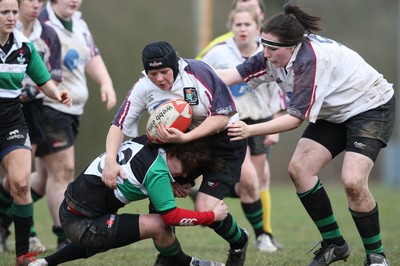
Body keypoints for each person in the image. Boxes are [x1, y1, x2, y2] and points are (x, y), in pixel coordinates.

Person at [217, 3, 394, 266]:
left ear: (292, 46)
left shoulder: (309, 60)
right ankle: (335, 244)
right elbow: (229, 76)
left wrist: (249, 129)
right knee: (299, 169)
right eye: (263, 46)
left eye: (272, 49)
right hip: (333, 114)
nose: (265, 54)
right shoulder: (270, 53)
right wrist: (184, 77)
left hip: (371, 106)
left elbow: (294, 120)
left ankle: (377, 256)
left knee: (353, 181)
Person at [102, 41, 249, 266]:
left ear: (176, 66)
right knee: (160, 195)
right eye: (153, 73)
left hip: (224, 142)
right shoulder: (143, 87)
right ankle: (169, 256)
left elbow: (222, 116)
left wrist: (186, 138)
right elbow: (118, 125)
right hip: (184, 146)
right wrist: (110, 160)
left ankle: (239, 242)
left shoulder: (199, 72)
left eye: (164, 71)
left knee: (205, 209)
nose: (160, 78)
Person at [26, 135, 226, 266]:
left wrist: (167, 185)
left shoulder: (145, 143)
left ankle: (45, 263)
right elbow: (171, 217)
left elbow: (139, 176)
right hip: (82, 223)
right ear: (176, 153)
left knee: (105, 236)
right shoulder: (157, 171)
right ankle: (186, 263)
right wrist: (211, 216)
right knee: (159, 224)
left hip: (70, 210)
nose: (183, 175)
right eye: (185, 168)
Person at [16, 0, 115, 250]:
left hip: (72, 109)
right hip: (49, 107)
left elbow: (91, 55)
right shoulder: (42, 22)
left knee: (41, 178)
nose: (74, 0)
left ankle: (6, 216)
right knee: (63, 170)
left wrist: (105, 83)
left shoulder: (79, 23)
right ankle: (64, 236)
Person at [196, 0, 285, 251]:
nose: (243, 29)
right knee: (247, 177)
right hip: (231, 121)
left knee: (256, 181)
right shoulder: (218, 51)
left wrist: (277, 125)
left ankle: (263, 233)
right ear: (231, 26)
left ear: (257, 27)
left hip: (262, 120)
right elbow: (199, 77)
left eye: (247, 24)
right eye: (238, 24)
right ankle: (262, 236)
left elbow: (280, 87)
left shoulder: (268, 51)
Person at [0, 0, 72, 264]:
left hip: (11, 122)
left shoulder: (24, 48)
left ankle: (23, 255)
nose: (10, 17)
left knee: (21, 183)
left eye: (13, 12)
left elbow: (44, 81)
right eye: (4, 12)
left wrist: (58, 93)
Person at [195, 0, 266, 60]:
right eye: (240, 9)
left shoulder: (271, 44)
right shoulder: (218, 46)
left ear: (262, 13)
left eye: (252, 8)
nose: (246, 14)